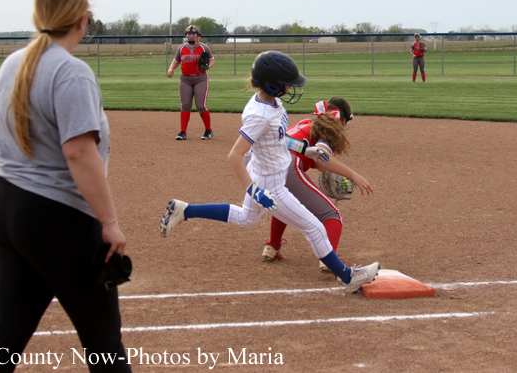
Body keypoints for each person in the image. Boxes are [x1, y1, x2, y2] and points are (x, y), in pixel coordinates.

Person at [0, 0, 131, 372]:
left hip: (5, 201)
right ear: (81, 20)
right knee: (104, 344)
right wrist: (109, 224)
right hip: (54, 215)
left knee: (6, 335)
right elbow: (79, 152)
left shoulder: (14, 62)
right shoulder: (72, 72)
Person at [159, 50, 380, 293]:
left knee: (246, 218)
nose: (290, 86)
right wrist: (255, 190)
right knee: (314, 228)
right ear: (272, 83)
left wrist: (305, 150)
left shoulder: (273, 103)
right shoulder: (260, 115)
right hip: (269, 182)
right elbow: (234, 156)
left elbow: (278, 139)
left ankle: (185, 210)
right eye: (286, 82)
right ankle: (348, 277)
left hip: (266, 171)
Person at [261, 97, 374, 273]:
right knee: (332, 214)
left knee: (285, 202)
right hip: (287, 166)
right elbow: (322, 157)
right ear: (342, 119)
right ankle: (330, 259)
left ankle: (273, 246)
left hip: (265, 168)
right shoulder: (326, 132)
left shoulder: (307, 123)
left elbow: (313, 158)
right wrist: (354, 176)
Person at [167, 25, 215, 140]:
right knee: (185, 105)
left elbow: (211, 59)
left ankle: (208, 130)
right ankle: (183, 132)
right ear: (186, 35)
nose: (191, 36)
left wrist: (208, 67)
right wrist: (171, 69)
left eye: (193, 34)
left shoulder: (204, 47)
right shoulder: (181, 48)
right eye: (189, 34)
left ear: (198, 35)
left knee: (200, 105)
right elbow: (176, 60)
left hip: (200, 78)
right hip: (185, 79)